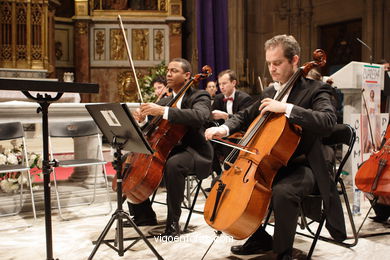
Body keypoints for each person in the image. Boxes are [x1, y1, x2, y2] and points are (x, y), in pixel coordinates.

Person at [204, 34, 346, 259]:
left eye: (277, 63)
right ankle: (259, 237)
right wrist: (224, 129)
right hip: (271, 162)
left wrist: (287, 108)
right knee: (229, 185)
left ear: (294, 60)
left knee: (282, 192)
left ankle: (282, 253)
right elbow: (244, 115)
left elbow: (328, 122)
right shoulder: (270, 92)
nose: (272, 68)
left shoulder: (317, 90)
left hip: (305, 164)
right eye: (269, 63)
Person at [127, 58, 213, 237]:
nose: (168, 74)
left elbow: (200, 116)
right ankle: (143, 215)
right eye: (168, 70)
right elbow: (152, 128)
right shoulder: (166, 101)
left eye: (174, 71)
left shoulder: (200, 96)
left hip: (194, 151)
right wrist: (142, 119)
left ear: (187, 75)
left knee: (173, 164)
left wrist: (162, 111)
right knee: (127, 159)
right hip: (168, 149)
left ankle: (173, 223)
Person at [210, 70, 253, 176]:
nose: (221, 87)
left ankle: (230, 174)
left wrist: (225, 116)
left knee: (227, 144)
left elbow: (245, 120)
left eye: (224, 83)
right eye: (219, 84)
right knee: (207, 144)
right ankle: (219, 174)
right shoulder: (219, 98)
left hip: (240, 135)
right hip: (223, 134)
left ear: (233, 83)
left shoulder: (244, 98)